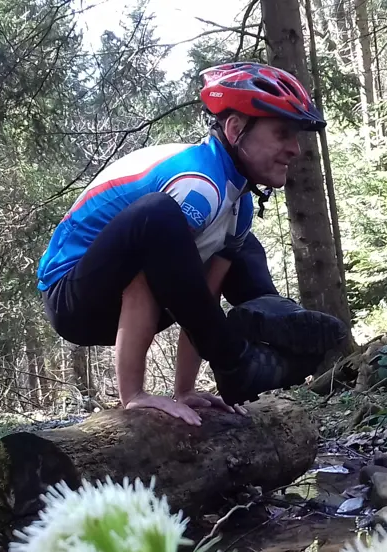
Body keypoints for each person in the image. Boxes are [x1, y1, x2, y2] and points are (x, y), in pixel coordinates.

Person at [36, 62, 349, 426]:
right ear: (235, 129)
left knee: (244, 247)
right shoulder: (199, 184)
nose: (295, 149)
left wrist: (184, 390)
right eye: (282, 133)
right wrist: (134, 395)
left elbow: (203, 294)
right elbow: (142, 281)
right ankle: (235, 358)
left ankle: (271, 334)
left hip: (134, 295)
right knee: (159, 216)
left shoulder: (238, 202)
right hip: (73, 298)